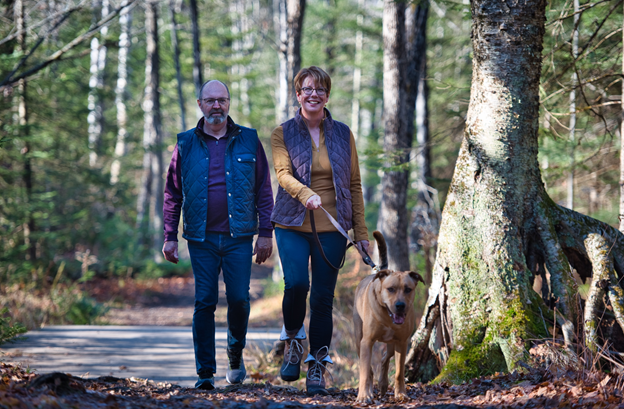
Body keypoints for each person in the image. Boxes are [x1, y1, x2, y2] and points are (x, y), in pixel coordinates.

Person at [162, 80, 274, 390]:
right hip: (201, 238)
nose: (216, 105)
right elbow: (173, 192)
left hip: (239, 237)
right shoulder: (185, 143)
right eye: (210, 100)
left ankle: (235, 356)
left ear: (228, 103)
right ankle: (205, 373)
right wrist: (170, 234)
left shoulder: (249, 140)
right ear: (199, 104)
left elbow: (264, 188)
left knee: (239, 299)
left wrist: (266, 232)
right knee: (205, 301)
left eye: (222, 100)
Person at [271, 66, 369, 395]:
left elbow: (354, 185)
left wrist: (362, 232)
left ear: (327, 95)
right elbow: (283, 174)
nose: (314, 94)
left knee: (323, 300)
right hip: (292, 222)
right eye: (307, 89)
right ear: (297, 94)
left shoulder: (343, 134)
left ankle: (317, 368)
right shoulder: (282, 132)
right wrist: (304, 193)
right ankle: (294, 340)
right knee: (297, 284)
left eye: (320, 89)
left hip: (334, 227)